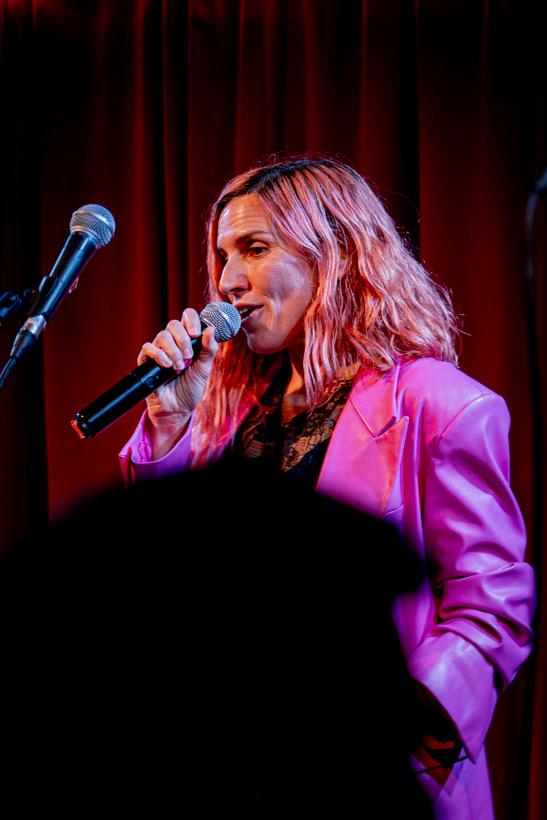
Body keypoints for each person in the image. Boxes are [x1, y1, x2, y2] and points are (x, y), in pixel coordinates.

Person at [119, 155, 535, 818]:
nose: (227, 281)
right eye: (223, 255)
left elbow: (492, 603)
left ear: (335, 253)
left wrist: (392, 720)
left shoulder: (440, 404)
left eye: (255, 248)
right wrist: (170, 422)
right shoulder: (228, 410)